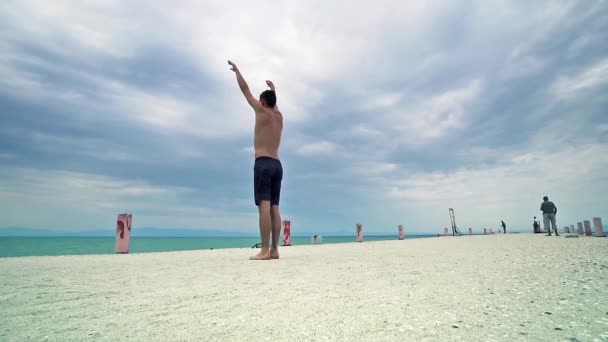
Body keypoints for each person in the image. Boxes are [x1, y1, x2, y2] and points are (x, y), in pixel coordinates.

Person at [228, 60, 284, 260]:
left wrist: (237, 71)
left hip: (263, 163)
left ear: (263, 102)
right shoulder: (279, 116)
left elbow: (245, 90)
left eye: (261, 100)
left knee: (265, 206)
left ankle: (265, 251)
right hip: (278, 164)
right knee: (275, 208)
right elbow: (274, 102)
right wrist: (273, 89)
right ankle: (276, 249)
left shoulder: (261, 111)